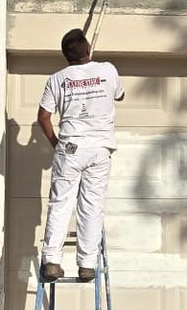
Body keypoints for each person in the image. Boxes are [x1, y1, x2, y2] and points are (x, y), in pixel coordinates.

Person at [36, 28, 123, 283]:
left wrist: (56, 143)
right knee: (91, 206)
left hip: (71, 147)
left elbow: (43, 117)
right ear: (87, 48)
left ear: (66, 55)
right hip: (99, 149)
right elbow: (120, 94)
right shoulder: (108, 70)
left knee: (61, 203)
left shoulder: (57, 79)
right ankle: (87, 265)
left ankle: (52, 261)